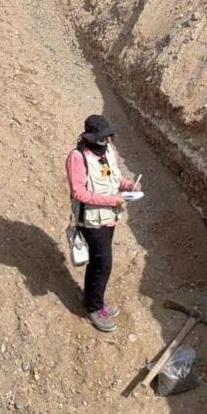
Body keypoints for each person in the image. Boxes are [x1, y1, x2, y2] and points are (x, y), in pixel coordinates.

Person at [66, 114, 140, 332]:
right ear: (89, 137)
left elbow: (115, 178)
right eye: (102, 137)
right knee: (103, 263)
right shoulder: (77, 157)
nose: (106, 141)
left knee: (100, 262)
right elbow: (79, 192)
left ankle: (95, 300)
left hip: (109, 217)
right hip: (91, 220)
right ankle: (94, 307)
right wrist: (111, 200)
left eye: (108, 137)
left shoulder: (109, 151)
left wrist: (129, 187)